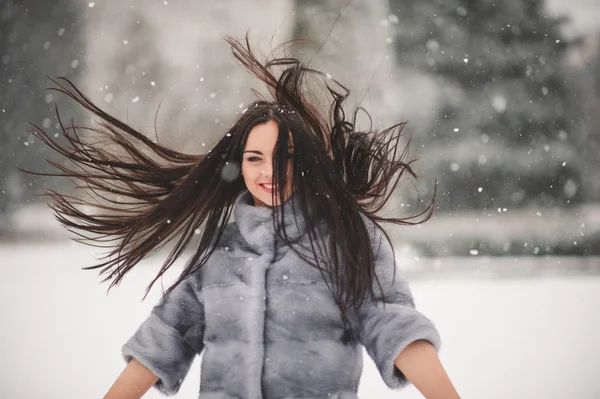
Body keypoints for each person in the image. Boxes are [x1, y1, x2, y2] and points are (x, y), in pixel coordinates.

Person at [29, 36, 460, 398]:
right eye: (254, 158)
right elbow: (165, 339)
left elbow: (391, 322)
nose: (267, 172)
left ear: (308, 162)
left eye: (284, 158)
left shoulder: (347, 238)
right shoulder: (221, 247)